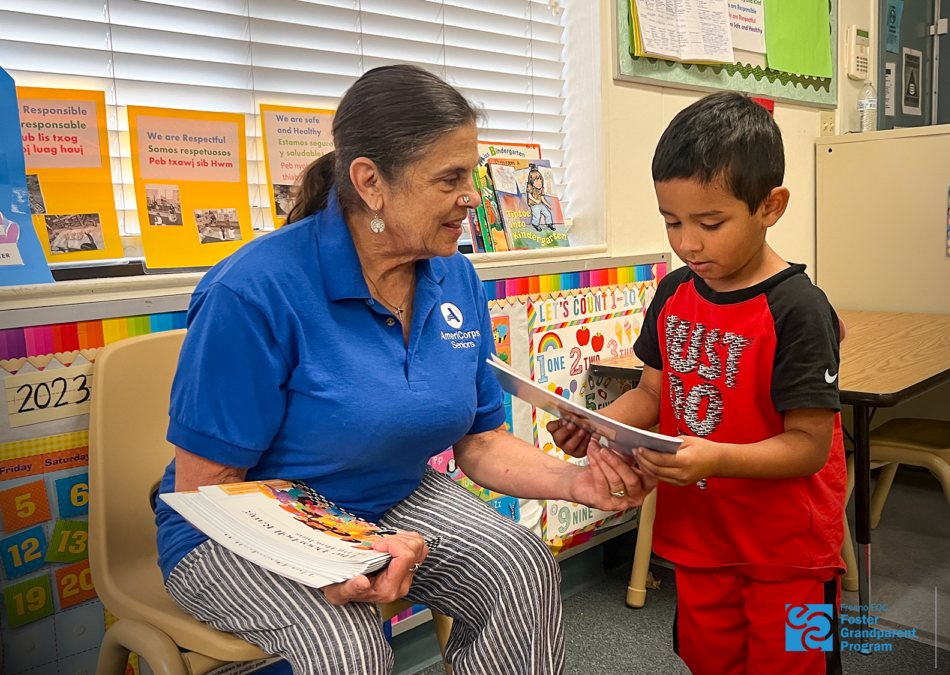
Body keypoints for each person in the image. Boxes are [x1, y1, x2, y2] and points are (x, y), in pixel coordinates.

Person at [155, 64, 655, 675]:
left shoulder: (455, 277)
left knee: (520, 566)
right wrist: (335, 552)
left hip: (389, 500)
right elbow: (208, 490)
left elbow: (480, 441)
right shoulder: (254, 291)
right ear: (370, 181)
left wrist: (574, 480)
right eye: (450, 178)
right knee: (348, 647)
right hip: (238, 531)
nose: (472, 195)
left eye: (470, 174)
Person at [550, 92, 846, 675]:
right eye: (672, 221)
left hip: (788, 549)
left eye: (710, 223)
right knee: (711, 660)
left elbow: (810, 447)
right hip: (700, 535)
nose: (687, 242)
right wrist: (599, 424)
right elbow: (653, 397)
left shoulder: (799, 311)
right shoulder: (674, 293)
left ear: (771, 205)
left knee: (791, 666)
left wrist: (714, 459)